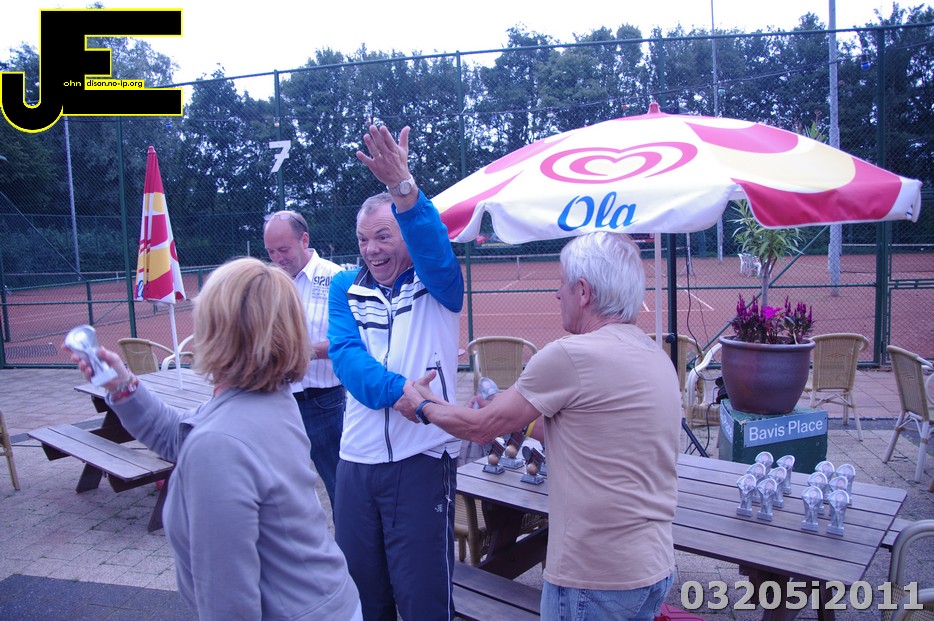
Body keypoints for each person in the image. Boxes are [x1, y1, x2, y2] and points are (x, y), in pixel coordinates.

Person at [398, 232, 683, 621]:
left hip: (593, 577)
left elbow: (481, 429)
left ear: (583, 291)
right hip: (653, 567)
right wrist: (500, 413)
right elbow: (584, 429)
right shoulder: (654, 354)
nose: (557, 294)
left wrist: (423, 404)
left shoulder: (571, 355)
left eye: (562, 283)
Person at [69, 257, 361, 621]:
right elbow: (183, 435)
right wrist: (123, 386)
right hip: (328, 601)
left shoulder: (221, 443)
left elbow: (228, 600)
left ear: (218, 332)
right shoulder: (272, 396)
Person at [328, 124, 464, 621]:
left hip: (422, 457)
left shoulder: (437, 281)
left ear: (404, 233)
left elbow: (432, 243)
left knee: (424, 599)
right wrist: (400, 391)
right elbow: (346, 357)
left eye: (383, 236)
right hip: (355, 461)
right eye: (363, 239)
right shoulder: (344, 287)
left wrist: (402, 188)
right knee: (364, 597)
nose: (372, 249)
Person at [264, 209, 345, 507]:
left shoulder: (336, 279)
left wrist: (302, 353)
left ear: (304, 240)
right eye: (271, 252)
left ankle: (349, 538)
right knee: (281, 490)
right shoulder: (267, 282)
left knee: (340, 487)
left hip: (324, 402)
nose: (278, 258)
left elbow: (349, 341)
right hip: (276, 399)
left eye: (283, 249)